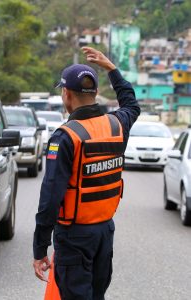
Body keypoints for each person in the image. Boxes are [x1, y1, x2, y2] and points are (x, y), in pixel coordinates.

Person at [33, 46, 140, 300]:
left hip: (74, 238)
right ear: (95, 93)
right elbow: (132, 104)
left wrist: (39, 249)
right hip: (104, 233)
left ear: (66, 94)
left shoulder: (66, 136)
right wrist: (112, 69)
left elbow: (51, 197)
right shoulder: (117, 124)